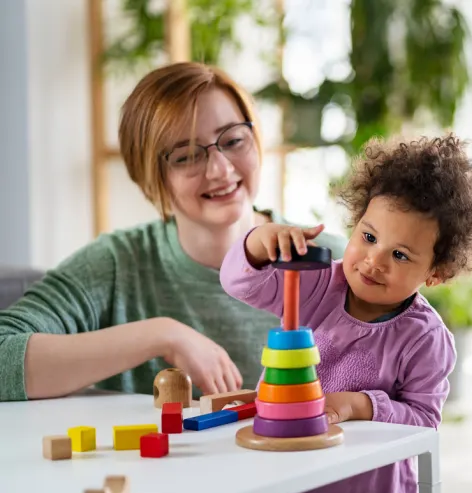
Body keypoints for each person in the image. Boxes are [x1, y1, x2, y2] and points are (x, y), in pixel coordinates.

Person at [0, 61, 344, 405]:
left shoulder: (335, 262)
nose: (221, 169)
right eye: (186, 156)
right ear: (152, 176)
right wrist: (161, 335)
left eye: (234, 140)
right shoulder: (117, 265)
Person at [217, 134, 472, 493]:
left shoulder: (425, 339)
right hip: (289, 476)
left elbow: (422, 422)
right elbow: (239, 283)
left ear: (436, 274)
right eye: (368, 237)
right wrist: (257, 245)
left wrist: (360, 405)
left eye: (399, 255)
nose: (373, 261)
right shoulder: (317, 283)